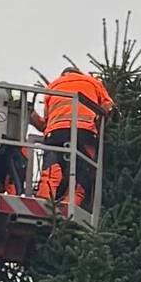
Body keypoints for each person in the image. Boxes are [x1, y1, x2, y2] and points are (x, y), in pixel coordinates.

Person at [34, 65, 112, 211]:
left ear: (64, 75)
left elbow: (46, 119)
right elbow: (108, 107)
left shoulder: (53, 85)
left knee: (52, 168)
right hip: (85, 132)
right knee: (82, 171)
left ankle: (43, 201)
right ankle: (71, 206)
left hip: (56, 132)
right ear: (79, 73)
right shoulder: (92, 82)